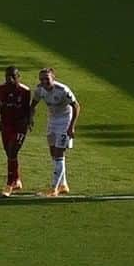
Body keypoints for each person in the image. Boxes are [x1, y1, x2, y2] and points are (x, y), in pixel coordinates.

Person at [29, 68, 80, 197]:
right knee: (53, 153)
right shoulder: (40, 89)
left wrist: (71, 127)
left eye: (47, 78)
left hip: (65, 122)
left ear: (53, 78)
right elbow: (33, 104)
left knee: (59, 153)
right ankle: (63, 185)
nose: (44, 81)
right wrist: (30, 118)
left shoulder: (63, 90)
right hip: (52, 121)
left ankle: (54, 189)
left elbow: (76, 106)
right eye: (41, 79)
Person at [0, 66, 33, 196]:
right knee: (9, 153)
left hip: (19, 126)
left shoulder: (25, 91)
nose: (9, 79)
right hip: (5, 126)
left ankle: (9, 184)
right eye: (7, 76)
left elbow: (28, 109)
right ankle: (17, 180)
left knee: (12, 151)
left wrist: (28, 121)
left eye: (12, 76)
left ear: (18, 77)